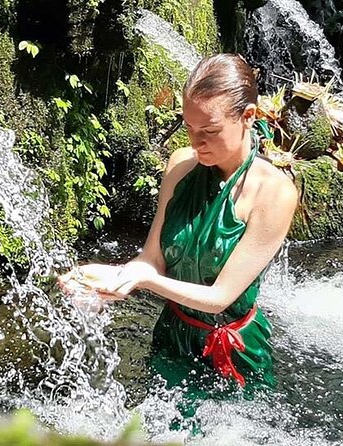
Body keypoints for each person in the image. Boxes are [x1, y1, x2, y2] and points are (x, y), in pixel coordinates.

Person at [61, 54, 298, 388]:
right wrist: (111, 278)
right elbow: (152, 258)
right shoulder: (181, 165)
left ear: (248, 116)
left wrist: (141, 281)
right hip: (172, 334)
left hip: (232, 350)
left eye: (210, 131)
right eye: (189, 127)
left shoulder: (275, 193)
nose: (196, 142)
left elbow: (220, 297)